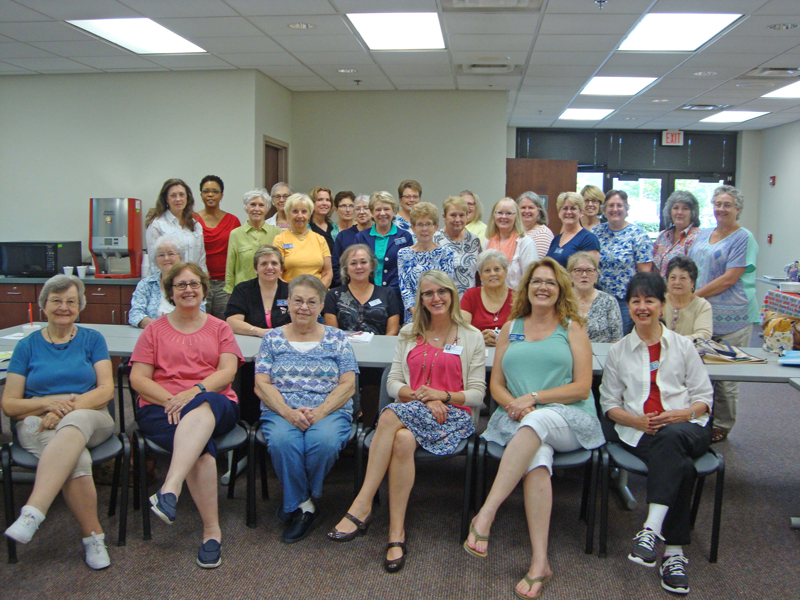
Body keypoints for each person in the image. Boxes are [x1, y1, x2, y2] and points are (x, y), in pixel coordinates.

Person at [327, 271, 485, 574]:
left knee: (387, 415)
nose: (435, 298)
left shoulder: (471, 336)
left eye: (442, 292)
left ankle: (362, 504)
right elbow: (393, 382)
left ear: (452, 295)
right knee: (400, 439)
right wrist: (420, 396)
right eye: (428, 293)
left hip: (453, 416)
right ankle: (395, 534)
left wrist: (443, 395)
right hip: (414, 410)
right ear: (420, 299)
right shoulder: (409, 332)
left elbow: (477, 394)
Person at [464, 258, 603, 600]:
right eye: (537, 281)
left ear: (561, 290)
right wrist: (513, 403)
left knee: (536, 420)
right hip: (516, 419)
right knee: (537, 456)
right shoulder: (511, 327)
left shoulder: (573, 326)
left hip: (568, 417)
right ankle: (540, 561)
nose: (543, 287)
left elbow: (582, 388)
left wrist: (534, 398)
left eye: (551, 283)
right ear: (526, 288)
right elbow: (495, 384)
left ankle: (487, 513)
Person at [600, 272, 714, 596]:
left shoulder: (682, 346)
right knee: (681, 465)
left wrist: (680, 414)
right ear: (629, 306)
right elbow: (609, 403)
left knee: (673, 438)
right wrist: (635, 421)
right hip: (642, 432)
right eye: (636, 300)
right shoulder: (618, 351)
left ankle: (650, 529)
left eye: (649, 300)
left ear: (661, 306)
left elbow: (704, 397)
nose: (642, 306)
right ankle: (674, 553)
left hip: (689, 426)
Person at [129, 262, 244, 569]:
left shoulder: (220, 328)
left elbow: (228, 371)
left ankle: (170, 487)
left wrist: (193, 392)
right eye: (180, 285)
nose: (188, 290)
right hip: (160, 407)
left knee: (204, 403)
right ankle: (212, 533)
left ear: (204, 290)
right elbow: (139, 379)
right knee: (202, 453)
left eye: (194, 284)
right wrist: (172, 401)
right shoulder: (154, 330)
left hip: (215, 403)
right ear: (170, 292)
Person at [3, 275, 115, 569]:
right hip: (39, 423)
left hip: (92, 417)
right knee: (75, 459)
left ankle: (34, 511)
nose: (63, 307)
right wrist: (47, 404)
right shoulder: (27, 346)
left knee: (75, 421)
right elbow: (10, 404)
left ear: (80, 307)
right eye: (56, 301)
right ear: (44, 305)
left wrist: (65, 409)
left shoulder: (93, 339)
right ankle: (94, 538)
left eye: (70, 301)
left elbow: (105, 391)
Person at [254, 274, 358, 543]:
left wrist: (320, 412)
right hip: (281, 411)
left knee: (322, 442)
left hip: (329, 410)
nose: (304, 307)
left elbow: (348, 384)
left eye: (312, 302)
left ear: (322, 305)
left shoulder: (337, 338)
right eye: (297, 300)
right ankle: (305, 505)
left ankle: (295, 501)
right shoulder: (272, 339)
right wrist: (288, 413)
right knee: (281, 441)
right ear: (287, 303)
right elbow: (260, 384)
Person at [689, 185, 758, 443]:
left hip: (733, 318)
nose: (721, 209)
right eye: (718, 204)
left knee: (727, 379)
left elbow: (729, 278)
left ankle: (722, 425)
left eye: (727, 204)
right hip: (703, 317)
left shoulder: (743, 237)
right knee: (699, 373)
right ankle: (702, 418)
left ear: (738, 208)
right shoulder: (703, 234)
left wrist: (693, 296)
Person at [225, 245, 291, 423]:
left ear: (281, 267)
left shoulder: (292, 290)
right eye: (264, 263)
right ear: (256, 268)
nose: (269, 267)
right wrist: (258, 331)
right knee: (249, 386)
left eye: (274, 263)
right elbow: (232, 322)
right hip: (250, 356)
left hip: (284, 354)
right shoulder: (243, 290)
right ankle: (249, 426)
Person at [594, 190, 654, 334]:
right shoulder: (595, 232)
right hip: (598, 298)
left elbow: (644, 275)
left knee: (620, 342)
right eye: (611, 205)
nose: (615, 209)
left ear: (626, 209)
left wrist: (639, 303)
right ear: (605, 210)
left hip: (625, 302)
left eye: (619, 205)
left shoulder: (638, 235)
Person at [324, 244, 401, 336]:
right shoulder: (333, 295)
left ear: (371, 265)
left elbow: (393, 331)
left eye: (363, 262)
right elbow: (333, 333)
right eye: (353, 263)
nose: (359, 267)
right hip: (346, 348)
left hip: (380, 348)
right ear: (346, 269)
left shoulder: (387, 294)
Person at [129, 236, 206, 327]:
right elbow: (135, 314)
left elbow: (200, 313)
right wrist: (159, 326)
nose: (166, 258)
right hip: (153, 334)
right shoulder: (146, 284)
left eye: (171, 254)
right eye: (161, 255)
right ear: (155, 260)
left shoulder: (192, 283)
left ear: (180, 257)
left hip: (185, 332)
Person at [398, 202, 455, 322]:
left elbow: (446, 288)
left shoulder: (446, 253)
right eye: (420, 224)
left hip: (440, 313)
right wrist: (418, 314)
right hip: (414, 317)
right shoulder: (403, 254)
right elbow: (405, 289)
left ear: (436, 227)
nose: (424, 229)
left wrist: (434, 313)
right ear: (412, 228)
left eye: (428, 224)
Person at [353, 191, 414, 303]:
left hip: (396, 299)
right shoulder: (361, 237)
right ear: (371, 212)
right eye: (377, 210)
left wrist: (386, 295)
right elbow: (356, 268)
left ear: (394, 211)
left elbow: (405, 271)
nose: (382, 213)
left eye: (386, 209)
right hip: (365, 297)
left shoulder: (405, 237)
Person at [194, 175, 240, 319]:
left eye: (215, 191)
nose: (210, 194)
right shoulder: (192, 220)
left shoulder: (233, 221)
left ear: (221, 195)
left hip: (224, 285)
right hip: (200, 282)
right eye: (206, 191)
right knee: (199, 323)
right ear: (201, 195)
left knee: (224, 324)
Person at [224, 189, 281, 295]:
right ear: (246, 208)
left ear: (267, 209)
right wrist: (229, 293)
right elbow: (230, 267)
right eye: (253, 205)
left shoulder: (277, 233)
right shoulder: (235, 234)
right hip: (243, 292)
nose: (257, 209)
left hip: (271, 291)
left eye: (261, 205)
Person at [145, 178, 206, 275]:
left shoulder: (195, 225)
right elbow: (155, 264)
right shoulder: (157, 225)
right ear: (166, 199)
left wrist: (202, 283)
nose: (178, 199)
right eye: (173, 196)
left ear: (187, 197)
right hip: (167, 284)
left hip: (192, 283)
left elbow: (201, 261)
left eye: (181, 195)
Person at [274, 193, 333, 287]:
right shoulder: (279, 239)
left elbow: (328, 273)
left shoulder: (320, 239)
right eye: (295, 211)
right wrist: (294, 293)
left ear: (310, 214)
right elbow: (277, 274)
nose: (300, 216)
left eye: (304, 211)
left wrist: (316, 292)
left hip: (317, 295)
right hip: (290, 296)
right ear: (287, 214)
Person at [461, 249, 514, 348]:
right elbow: (462, 330)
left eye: (497, 269)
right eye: (487, 270)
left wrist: (502, 339)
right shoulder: (471, 295)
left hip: (509, 350)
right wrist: (480, 338)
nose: (493, 274)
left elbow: (523, 332)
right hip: (477, 349)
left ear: (506, 272)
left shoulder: (517, 298)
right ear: (480, 276)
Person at [567, 251, 622, 343]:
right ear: (570, 276)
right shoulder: (562, 300)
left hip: (602, 355)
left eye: (589, 271)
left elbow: (616, 339)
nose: (584, 275)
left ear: (596, 276)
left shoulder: (609, 301)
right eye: (579, 270)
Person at [484, 197, 538, 291]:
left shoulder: (525, 243)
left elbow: (532, 277)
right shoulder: (487, 242)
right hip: (490, 298)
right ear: (494, 215)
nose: (504, 217)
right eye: (500, 213)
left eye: (509, 213)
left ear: (516, 217)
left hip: (516, 299)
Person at [434, 195, 481, 296]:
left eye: (461, 215)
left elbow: (479, 274)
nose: (458, 219)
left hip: (470, 302)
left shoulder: (474, 240)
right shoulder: (435, 240)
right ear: (444, 217)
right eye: (453, 215)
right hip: (444, 302)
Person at [546, 191, 601, 269]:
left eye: (573, 208)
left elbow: (590, 274)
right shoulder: (556, 239)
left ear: (581, 212)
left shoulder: (589, 239)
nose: (568, 212)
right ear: (559, 213)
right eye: (565, 208)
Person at [653, 191, 701, 278]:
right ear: (669, 211)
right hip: (658, 290)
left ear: (692, 213)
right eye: (675, 208)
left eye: (685, 208)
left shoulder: (697, 237)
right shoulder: (663, 236)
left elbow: (697, 273)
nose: (679, 212)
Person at [664, 256, 712, 341]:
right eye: (673, 278)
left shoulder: (702, 305)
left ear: (693, 283)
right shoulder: (659, 301)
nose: (677, 282)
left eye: (683, 278)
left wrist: (678, 342)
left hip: (690, 351)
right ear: (667, 281)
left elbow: (704, 335)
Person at [332, 193, 373, 287]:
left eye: (366, 208)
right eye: (358, 209)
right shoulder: (343, 236)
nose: (361, 212)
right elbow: (336, 266)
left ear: (372, 210)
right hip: (347, 287)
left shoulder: (378, 235)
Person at [517, 191, 554, 260]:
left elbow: (535, 265)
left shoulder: (543, 233)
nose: (527, 211)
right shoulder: (515, 231)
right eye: (523, 207)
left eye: (531, 207)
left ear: (538, 211)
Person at [309, 186, 337, 253]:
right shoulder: (306, 228)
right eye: (320, 200)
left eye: (327, 200)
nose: (324, 203)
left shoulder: (334, 227)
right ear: (311, 203)